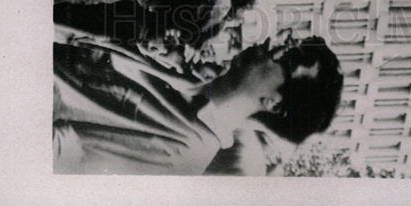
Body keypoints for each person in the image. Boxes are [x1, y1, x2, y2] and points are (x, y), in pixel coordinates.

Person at [53, 34, 343, 174]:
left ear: (274, 104)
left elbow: (60, 154)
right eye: (287, 41)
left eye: (288, 58)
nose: (273, 44)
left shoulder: (184, 151)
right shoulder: (177, 66)